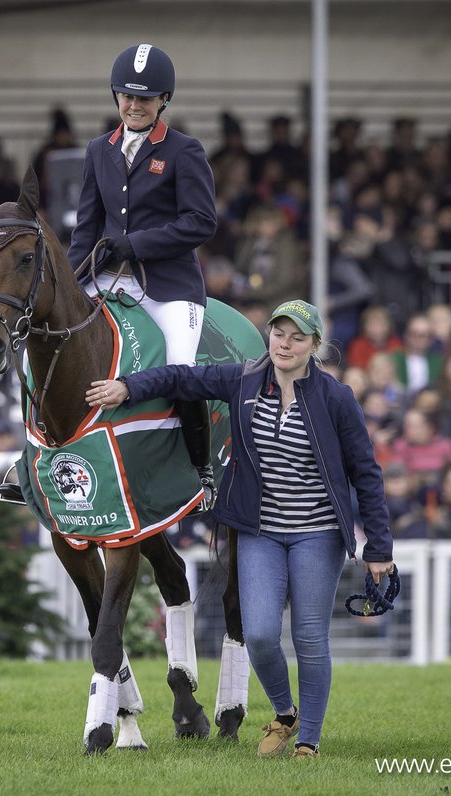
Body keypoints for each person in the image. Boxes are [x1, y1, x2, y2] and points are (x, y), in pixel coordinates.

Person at [85, 299, 392, 759]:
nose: (284, 344)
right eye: (278, 334)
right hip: (259, 530)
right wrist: (128, 387)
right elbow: (181, 378)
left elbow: (366, 472)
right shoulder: (244, 379)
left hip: (317, 532)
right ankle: (285, 713)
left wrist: (379, 547)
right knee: (262, 634)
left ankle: (308, 739)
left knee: (309, 638)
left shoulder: (336, 398)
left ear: (314, 346)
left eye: (297, 338)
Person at [65, 42, 218, 510]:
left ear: (163, 100)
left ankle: (201, 468)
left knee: (182, 367)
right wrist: (69, 285)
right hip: (107, 276)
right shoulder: (99, 150)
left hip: (168, 286)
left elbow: (201, 222)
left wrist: (138, 243)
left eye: (145, 98)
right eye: (127, 96)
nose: (134, 105)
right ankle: (32, 453)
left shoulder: (184, 150)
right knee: (54, 338)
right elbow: (86, 227)